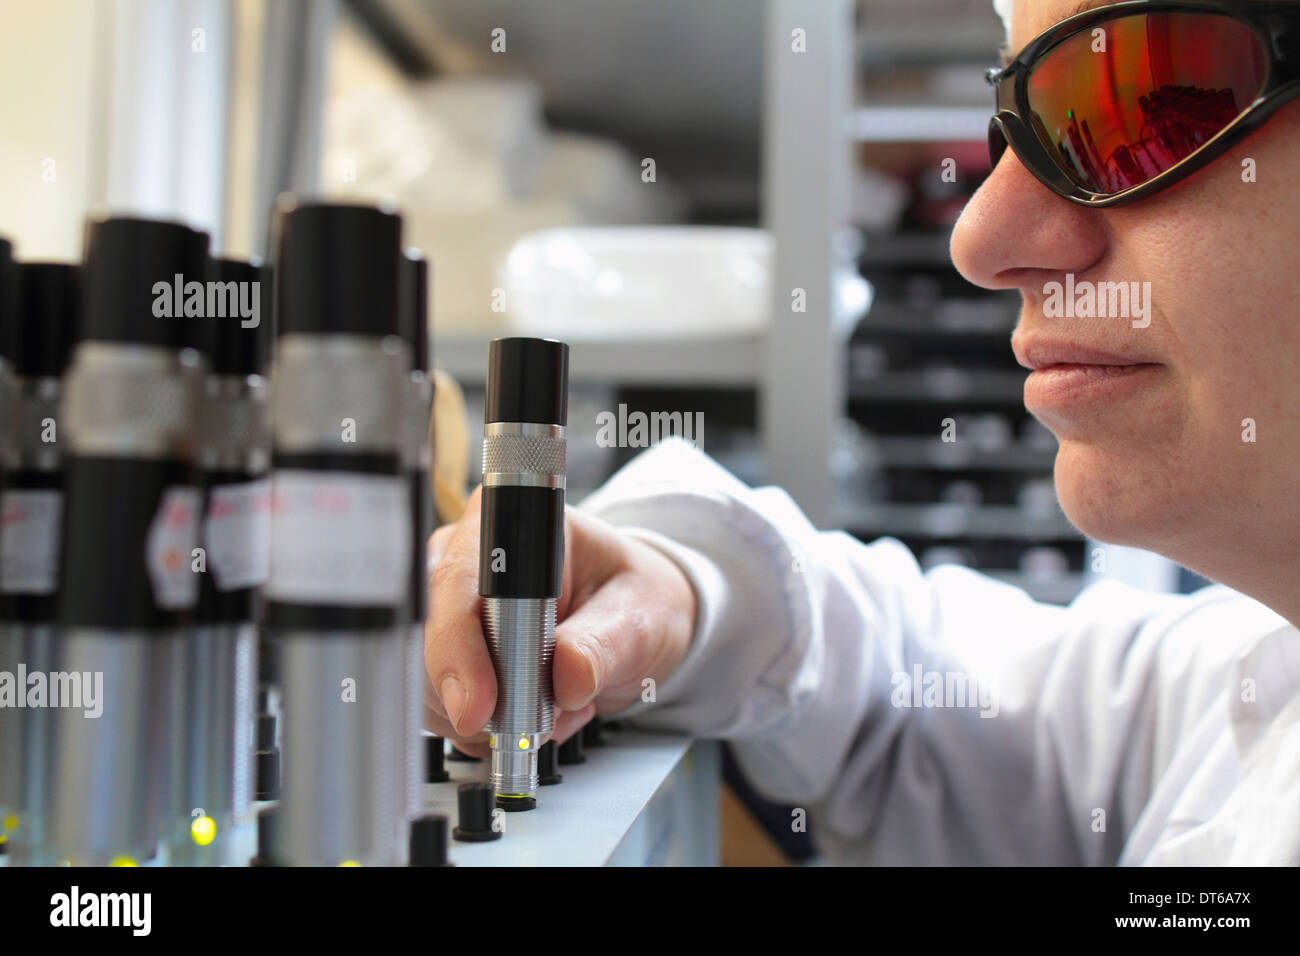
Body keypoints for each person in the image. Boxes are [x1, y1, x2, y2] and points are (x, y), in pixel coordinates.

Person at [424, 0, 1300, 864]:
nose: (981, 239)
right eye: (1016, 135)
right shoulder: (1258, 693)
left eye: (1140, 106)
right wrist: (691, 590)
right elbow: (956, 710)